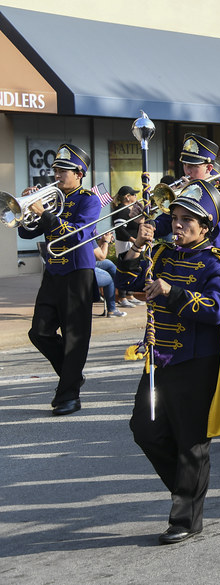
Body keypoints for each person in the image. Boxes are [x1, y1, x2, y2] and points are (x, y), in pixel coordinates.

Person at [118, 179, 220, 544]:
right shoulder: (160, 253)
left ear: (205, 227)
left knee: (191, 442)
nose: (177, 224)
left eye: (187, 219)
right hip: (159, 360)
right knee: (145, 429)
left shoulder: (216, 264)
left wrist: (173, 292)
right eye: (174, 217)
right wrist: (135, 248)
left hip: (195, 363)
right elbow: (129, 282)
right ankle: (187, 488)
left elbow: (216, 311)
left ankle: (186, 516)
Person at [18, 143, 101, 415]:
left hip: (78, 273)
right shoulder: (50, 197)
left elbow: (78, 235)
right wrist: (26, 210)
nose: (57, 174)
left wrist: (44, 212)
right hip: (53, 272)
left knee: (75, 338)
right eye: (55, 169)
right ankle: (72, 375)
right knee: (39, 331)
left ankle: (68, 395)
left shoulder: (88, 199)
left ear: (79, 173)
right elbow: (27, 235)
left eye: (63, 170)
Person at [152, 133, 220, 254]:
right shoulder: (183, 192)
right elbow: (164, 224)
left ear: (209, 168)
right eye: (185, 165)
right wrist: (142, 222)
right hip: (183, 259)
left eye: (193, 166)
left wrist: (190, 195)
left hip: (211, 259)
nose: (187, 171)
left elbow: (211, 232)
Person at [94, 231, 126, 317]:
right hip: (84, 268)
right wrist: (106, 242)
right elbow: (101, 257)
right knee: (108, 279)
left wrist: (102, 240)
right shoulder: (85, 233)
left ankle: (123, 295)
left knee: (110, 265)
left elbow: (96, 253)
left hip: (91, 263)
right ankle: (112, 309)